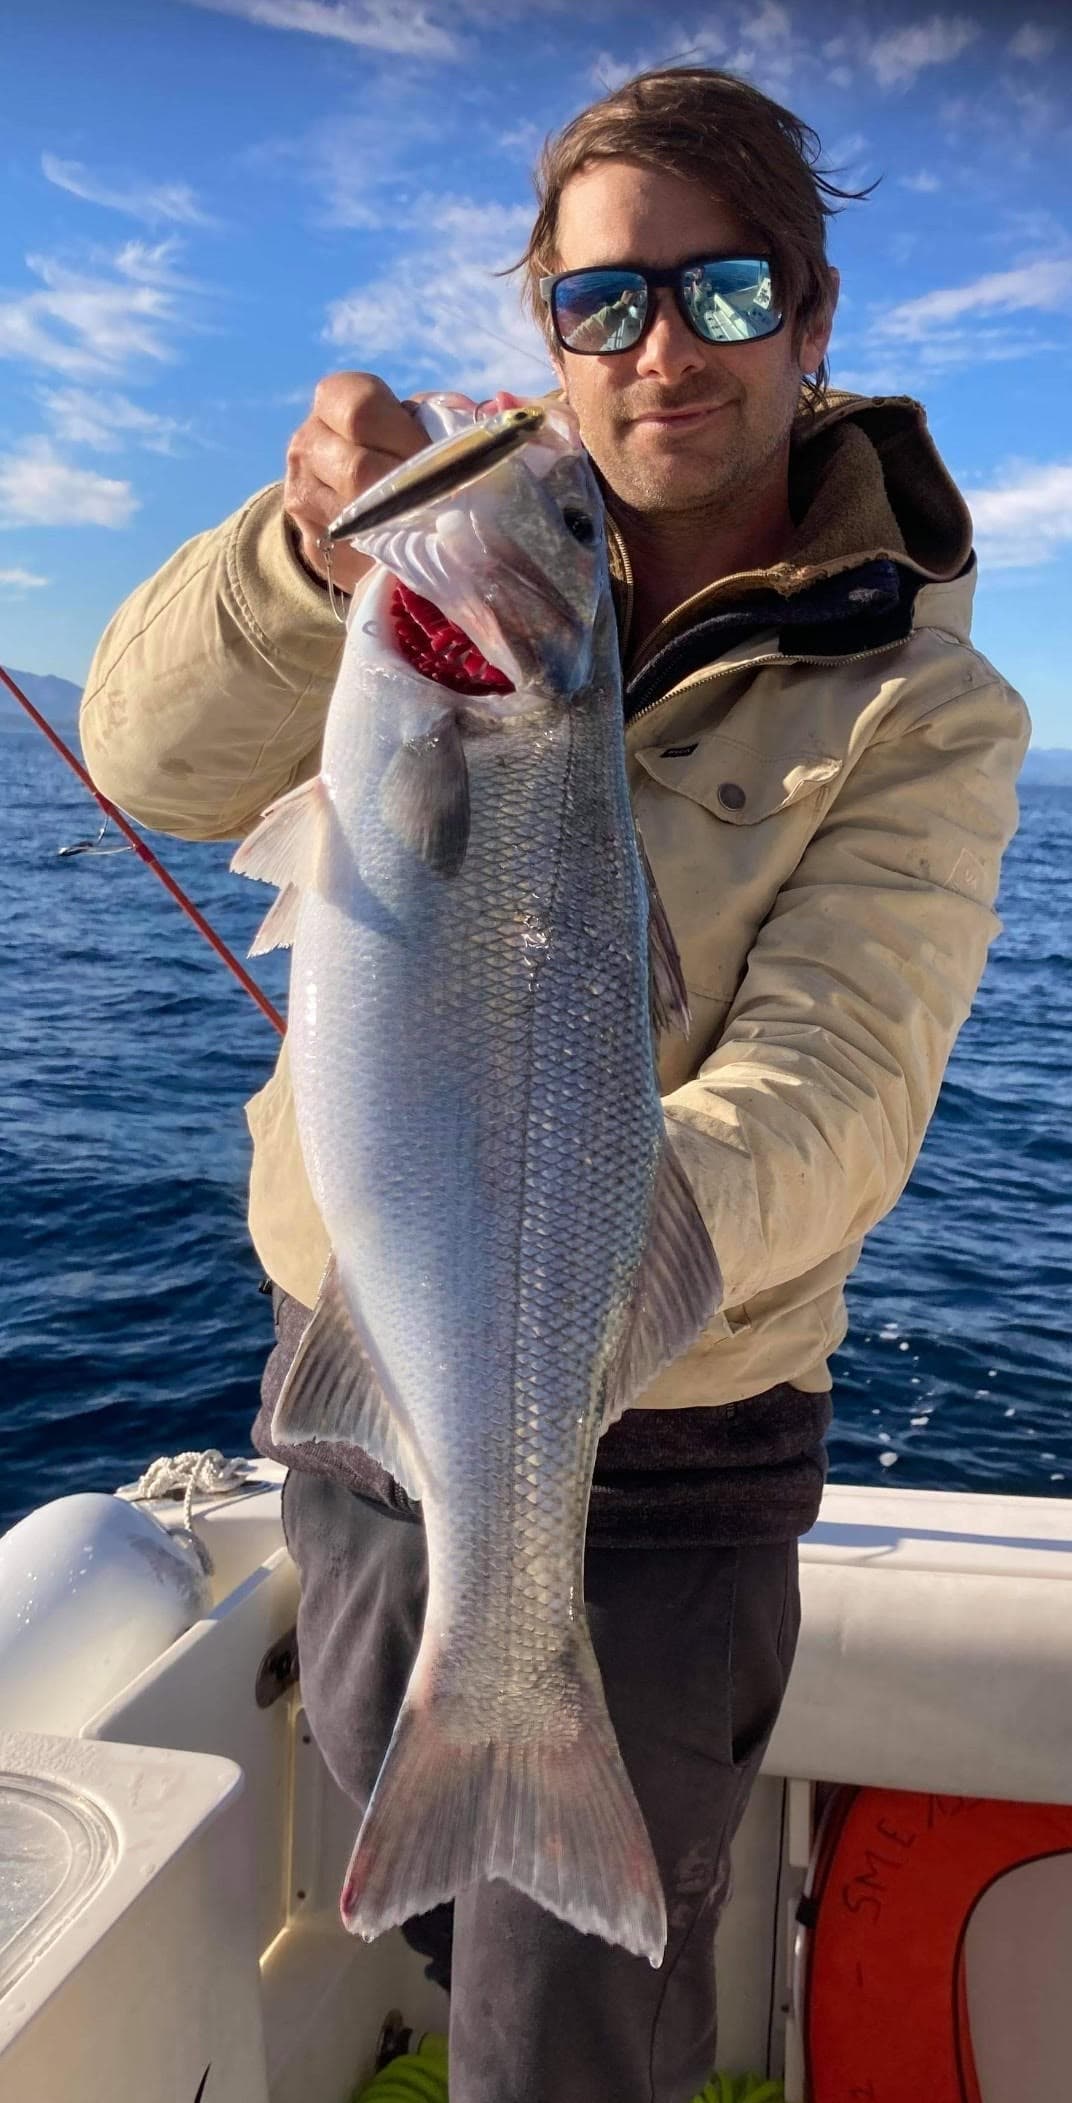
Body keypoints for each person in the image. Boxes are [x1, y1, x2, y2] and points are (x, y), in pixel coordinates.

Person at [80, 65, 1029, 2103]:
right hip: (364, 1395)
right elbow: (147, 761)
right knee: (424, 1889)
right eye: (603, 302)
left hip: (680, 1447)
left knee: (560, 2028)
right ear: (546, 325)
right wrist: (299, 557)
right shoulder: (433, 543)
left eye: (723, 289)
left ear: (811, 317)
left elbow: (836, 1081)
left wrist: (589, 1233)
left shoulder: (925, 706)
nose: (658, 349)